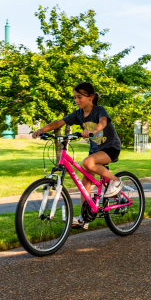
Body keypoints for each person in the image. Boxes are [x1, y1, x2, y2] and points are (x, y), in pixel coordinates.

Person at [32, 82, 123, 229]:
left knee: (87, 163)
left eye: (80, 97)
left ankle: (115, 181)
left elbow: (103, 122)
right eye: (75, 97)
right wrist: (41, 130)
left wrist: (94, 130)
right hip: (96, 150)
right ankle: (84, 217)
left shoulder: (99, 110)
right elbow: (59, 122)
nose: (76, 100)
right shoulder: (78, 114)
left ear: (91, 97)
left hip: (110, 147)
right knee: (85, 181)